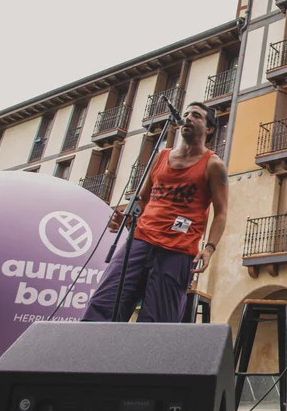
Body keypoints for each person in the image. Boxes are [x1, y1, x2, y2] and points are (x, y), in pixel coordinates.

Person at [83, 102, 227, 323]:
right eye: (187, 113)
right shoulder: (160, 157)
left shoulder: (213, 165)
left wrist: (209, 248)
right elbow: (142, 199)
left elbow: (221, 213)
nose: (188, 117)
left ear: (209, 129)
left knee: (158, 322)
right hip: (140, 241)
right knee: (103, 306)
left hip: (177, 251)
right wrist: (126, 218)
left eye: (196, 116)